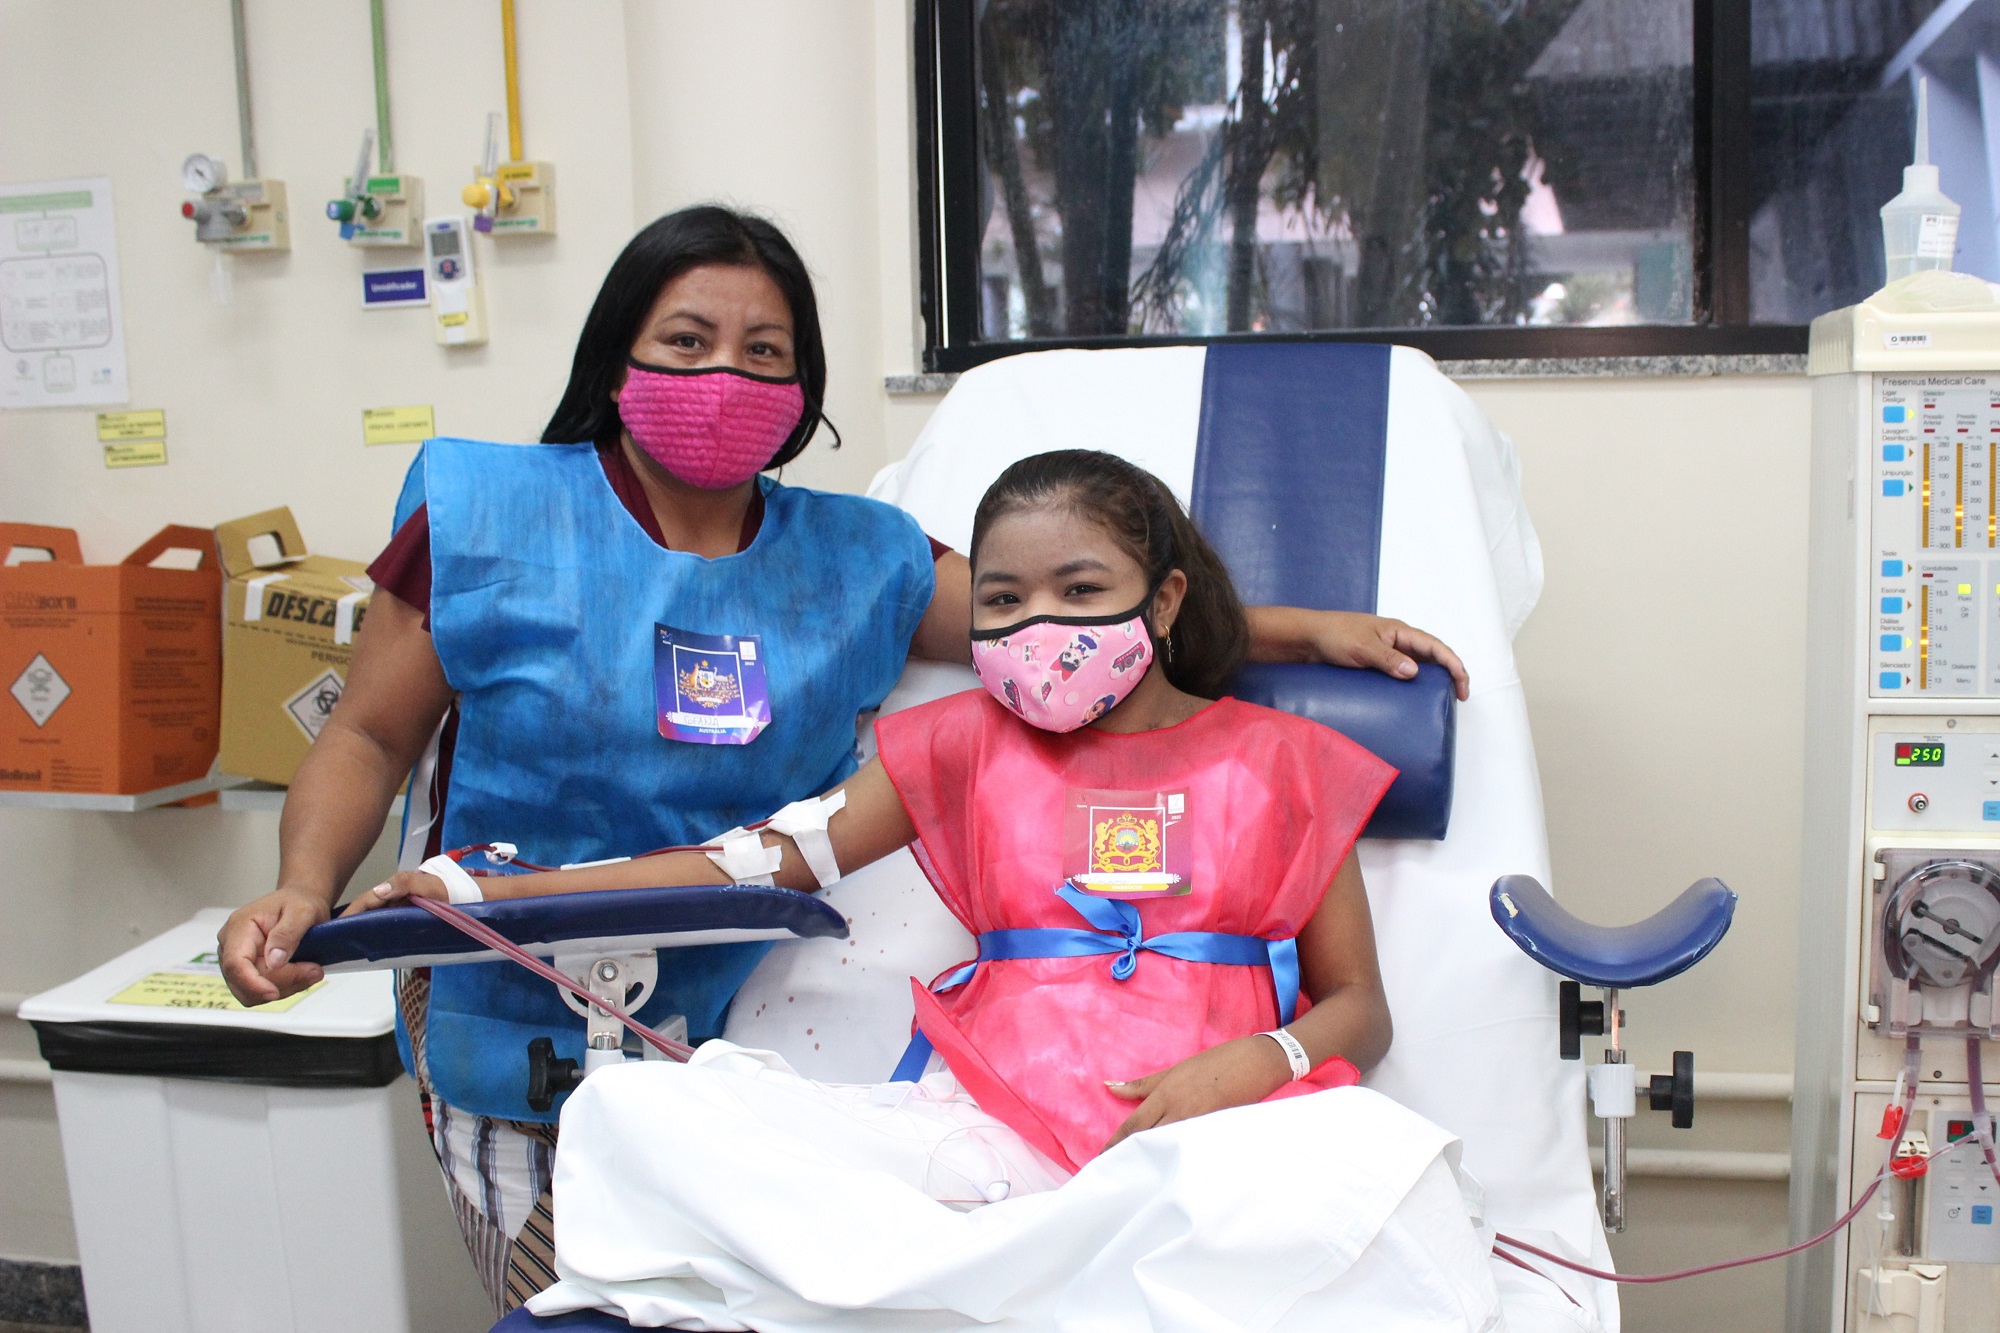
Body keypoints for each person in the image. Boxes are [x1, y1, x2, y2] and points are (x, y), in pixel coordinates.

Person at [217, 205, 1468, 1312]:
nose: (725, 376)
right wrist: (336, 889)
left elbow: (1061, 597)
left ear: (805, 382)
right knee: (590, 1278)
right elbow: (374, 734)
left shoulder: (867, 560)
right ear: (614, 358)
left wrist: (1304, 630)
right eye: (686, 341)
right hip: (507, 970)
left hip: (738, 1000)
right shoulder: (490, 516)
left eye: (765, 353)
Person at [356, 450, 1498, 1330]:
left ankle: (1020, 1276)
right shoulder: (962, 740)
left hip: (1210, 1143)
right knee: (645, 1113)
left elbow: (1361, 1008)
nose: (1039, 627)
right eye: (1002, 601)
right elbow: (756, 858)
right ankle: (1027, 1268)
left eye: (1080, 589)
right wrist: (512, 889)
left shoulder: (1285, 762)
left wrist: (1262, 1060)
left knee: (1388, 1192)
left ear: (1160, 602)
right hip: (982, 1137)